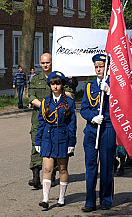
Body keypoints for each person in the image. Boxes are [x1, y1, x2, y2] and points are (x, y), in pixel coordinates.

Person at [28, 53, 73, 189]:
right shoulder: (36, 79)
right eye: (42, 63)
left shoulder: (59, 77)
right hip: (39, 119)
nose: (45, 65)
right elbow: (30, 95)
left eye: (47, 63)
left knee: (54, 146)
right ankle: (36, 176)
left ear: (52, 63)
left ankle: (52, 175)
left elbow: (70, 93)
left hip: (56, 121)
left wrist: (55, 102)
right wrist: (44, 105)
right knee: (36, 144)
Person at [35, 71, 76, 209]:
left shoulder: (69, 102)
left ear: (62, 84)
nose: (55, 86)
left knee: (63, 169)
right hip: (48, 137)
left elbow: (72, 124)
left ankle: (61, 197)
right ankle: (45, 199)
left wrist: (71, 143)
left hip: (63, 137)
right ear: (50, 85)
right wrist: (38, 141)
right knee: (48, 168)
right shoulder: (45, 101)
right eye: (53, 83)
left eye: (58, 83)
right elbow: (40, 122)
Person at [80, 54, 116, 212]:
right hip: (92, 130)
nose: (99, 69)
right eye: (96, 67)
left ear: (107, 67)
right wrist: (92, 117)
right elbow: (83, 109)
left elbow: (121, 106)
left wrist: (110, 93)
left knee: (107, 165)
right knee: (91, 166)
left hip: (107, 128)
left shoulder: (114, 85)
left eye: (101, 66)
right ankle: (90, 201)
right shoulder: (89, 86)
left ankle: (106, 199)